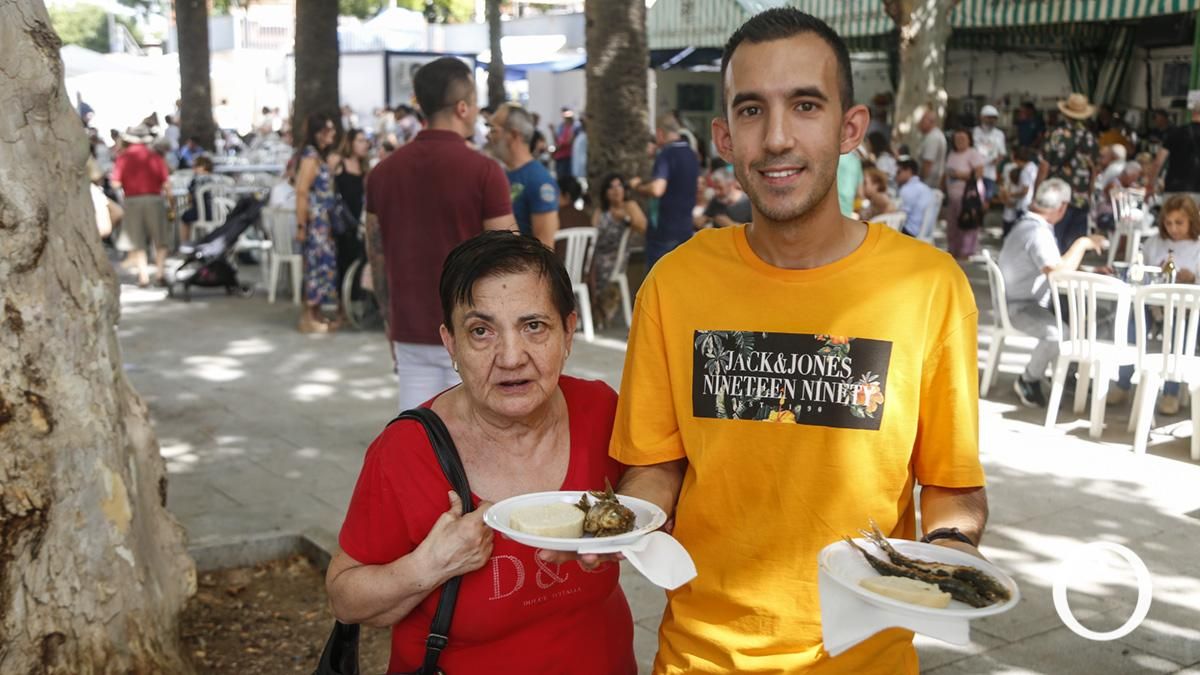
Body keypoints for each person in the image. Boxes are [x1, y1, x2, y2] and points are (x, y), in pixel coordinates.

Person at [548, 9, 990, 672]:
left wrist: (953, 549)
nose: (777, 137)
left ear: (850, 128)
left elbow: (950, 481)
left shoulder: (928, 285)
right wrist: (627, 518)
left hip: (864, 657)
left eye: (805, 105)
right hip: (701, 656)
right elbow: (657, 462)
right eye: (752, 110)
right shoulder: (675, 283)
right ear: (724, 135)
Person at [326, 232, 637, 675]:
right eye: (481, 331)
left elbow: (659, 490)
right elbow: (344, 597)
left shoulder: (601, 411)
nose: (511, 357)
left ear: (568, 332)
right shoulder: (407, 451)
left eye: (534, 326)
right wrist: (430, 564)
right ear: (451, 344)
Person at [365, 56, 516, 411]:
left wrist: (390, 320)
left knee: (418, 444)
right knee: (474, 447)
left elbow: (377, 253)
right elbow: (508, 260)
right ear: (463, 107)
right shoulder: (485, 171)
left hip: (410, 327)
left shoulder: (382, 173)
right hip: (475, 331)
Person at [998, 179, 1106, 408]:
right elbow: (1058, 273)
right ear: (1062, 207)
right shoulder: (1037, 232)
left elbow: (1053, 265)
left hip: (1023, 302)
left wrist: (1092, 270)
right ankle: (1029, 379)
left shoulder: (1026, 224)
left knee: (1077, 319)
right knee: (1060, 332)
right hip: (1019, 307)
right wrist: (1083, 243)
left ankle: (1063, 374)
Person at [1109, 195, 1200, 413]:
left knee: (1179, 335)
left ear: (1191, 222)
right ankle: (1123, 381)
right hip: (1153, 304)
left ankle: (1171, 390)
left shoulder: (1197, 246)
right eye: (1169, 223)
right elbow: (1139, 269)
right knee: (1132, 325)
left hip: (1185, 310)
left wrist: (1193, 277)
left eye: (1179, 223)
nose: (1173, 228)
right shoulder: (1155, 242)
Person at [631, 113, 700, 269]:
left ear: (660, 133)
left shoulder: (666, 154)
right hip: (685, 228)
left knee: (657, 282)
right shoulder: (691, 154)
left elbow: (657, 189)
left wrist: (637, 186)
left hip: (663, 230)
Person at [488, 103, 560, 248]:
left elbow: (545, 245)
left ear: (513, 135)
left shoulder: (539, 180)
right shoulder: (503, 174)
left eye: (493, 130)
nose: (488, 136)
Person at [295, 113, 341, 333]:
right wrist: (301, 225)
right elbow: (302, 191)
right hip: (315, 223)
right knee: (314, 267)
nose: (333, 133)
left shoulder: (319, 157)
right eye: (328, 129)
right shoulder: (310, 158)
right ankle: (308, 316)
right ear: (319, 133)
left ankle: (318, 312)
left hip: (323, 222)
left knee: (323, 266)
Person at [1039, 92, 1100, 254]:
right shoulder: (1091, 138)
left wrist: (1037, 191)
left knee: (1052, 242)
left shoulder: (1055, 136)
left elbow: (1044, 165)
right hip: (1081, 198)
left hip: (1057, 198)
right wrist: (1090, 194)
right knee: (1074, 246)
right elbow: (1094, 170)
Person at [112, 125, 170, 287]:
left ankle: (143, 276)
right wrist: (170, 202)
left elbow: (115, 183)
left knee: (137, 240)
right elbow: (166, 183)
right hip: (154, 199)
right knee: (160, 238)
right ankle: (160, 273)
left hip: (132, 201)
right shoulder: (155, 156)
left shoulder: (123, 158)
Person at [591, 173, 647, 325]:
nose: (615, 190)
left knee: (592, 268)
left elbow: (642, 226)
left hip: (616, 256)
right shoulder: (600, 210)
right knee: (584, 266)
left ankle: (595, 312)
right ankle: (590, 312)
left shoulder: (630, 206)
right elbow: (593, 232)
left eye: (619, 186)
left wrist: (625, 218)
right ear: (605, 192)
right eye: (611, 187)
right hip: (598, 253)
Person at [334, 128, 371, 320]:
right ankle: (342, 308)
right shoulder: (340, 164)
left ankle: (355, 302)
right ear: (350, 143)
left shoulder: (365, 168)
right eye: (360, 140)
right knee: (344, 261)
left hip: (360, 223)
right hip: (344, 223)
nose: (364, 144)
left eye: (366, 140)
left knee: (360, 260)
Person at [944, 128, 986, 260]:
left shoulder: (973, 153)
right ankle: (953, 251)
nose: (959, 141)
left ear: (969, 140)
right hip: (953, 196)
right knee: (952, 225)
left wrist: (958, 175)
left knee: (967, 225)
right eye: (957, 139)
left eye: (963, 139)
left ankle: (966, 252)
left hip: (968, 197)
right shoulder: (952, 153)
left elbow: (978, 173)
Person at [1148, 102, 1200, 205]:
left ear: (1193, 112)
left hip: (1173, 190)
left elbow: (1158, 162)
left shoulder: (1176, 132)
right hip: (1198, 191)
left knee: (1171, 220)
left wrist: (1150, 186)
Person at [1000, 147, 1038, 235]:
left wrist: (1010, 194)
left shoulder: (1025, 171)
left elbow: (1024, 191)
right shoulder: (1034, 167)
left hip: (1023, 205)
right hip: (1031, 203)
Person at [972, 105, 1006, 201]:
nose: (991, 120)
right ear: (982, 117)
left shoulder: (999, 134)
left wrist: (997, 160)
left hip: (990, 173)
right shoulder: (976, 131)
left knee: (987, 199)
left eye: (994, 118)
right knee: (973, 199)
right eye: (989, 117)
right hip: (976, 172)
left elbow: (1002, 153)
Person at [180, 155, 215, 243]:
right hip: (219, 213)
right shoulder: (218, 179)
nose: (194, 169)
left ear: (203, 167)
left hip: (202, 212)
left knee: (184, 217)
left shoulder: (195, 180)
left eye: (196, 166)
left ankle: (185, 244)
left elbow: (190, 198)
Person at [895, 157, 933, 238]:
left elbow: (901, 214)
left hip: (909, 232)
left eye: (898, 172)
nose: (896, 175)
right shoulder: (926, 189)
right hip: (924, 233)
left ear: (908, 171)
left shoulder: (907, 189)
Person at [918, 109, 948, 189]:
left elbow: (928, 163)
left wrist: (920, 181)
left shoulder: (933, 138)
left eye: (922, 121)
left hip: (928, 183)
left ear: (931, 122)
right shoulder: (934, 135)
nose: (919, 124)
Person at [552, 107, 577, 180]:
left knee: (564, 178)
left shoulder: (572, 127)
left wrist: (558, 147)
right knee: (559, 177)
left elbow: (569, 142)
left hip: (566, 156)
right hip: (559, 156)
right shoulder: (561, 127)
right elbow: (557, 140)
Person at [836, 149, 863, 216]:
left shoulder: (838, 154)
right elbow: (860, 193)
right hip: (846, 208)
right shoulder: (857, 163)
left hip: (829, 201)